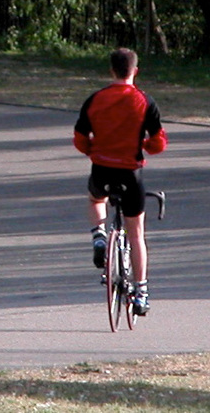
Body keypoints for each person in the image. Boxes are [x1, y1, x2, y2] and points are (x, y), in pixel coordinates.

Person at [73, 48, 167, 315]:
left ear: (111, 71)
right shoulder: (145, 101)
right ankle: (141, 292)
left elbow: (80, 138)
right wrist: (144, 144)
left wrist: (94, 150)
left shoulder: (95, 99)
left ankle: (99, 237)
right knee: (136, 234)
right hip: (130, 173)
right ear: (135, 71)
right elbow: (158, 143)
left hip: (101, 168)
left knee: (95, 199)